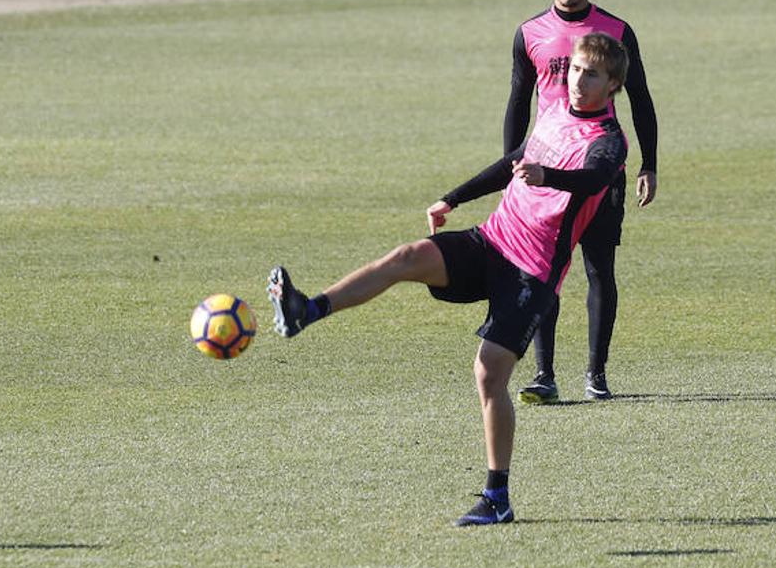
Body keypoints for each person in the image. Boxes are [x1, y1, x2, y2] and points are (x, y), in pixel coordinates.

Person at [268, 34, 628, 526]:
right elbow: (513, 164)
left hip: (533, 272)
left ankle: (497, 496)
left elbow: (593, 180)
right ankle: (306, 310)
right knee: (407, 256)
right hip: (493, 240)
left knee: (488, 374)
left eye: (591, 74)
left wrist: (550, 176)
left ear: (613, 85)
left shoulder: (608, 140)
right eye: (574, 70)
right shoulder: (552, 110)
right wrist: (453, 198)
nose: (577, 80)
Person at [505, 0, 658, 403]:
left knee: (599, 269)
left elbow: (642, 100)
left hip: (599, 167)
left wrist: (649, 163)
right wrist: (514, 164)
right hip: (545, 171)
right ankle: (544, 374)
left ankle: (596, 374)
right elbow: (517, 102)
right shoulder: (529, 33)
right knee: (542, 273)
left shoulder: (615, 30)